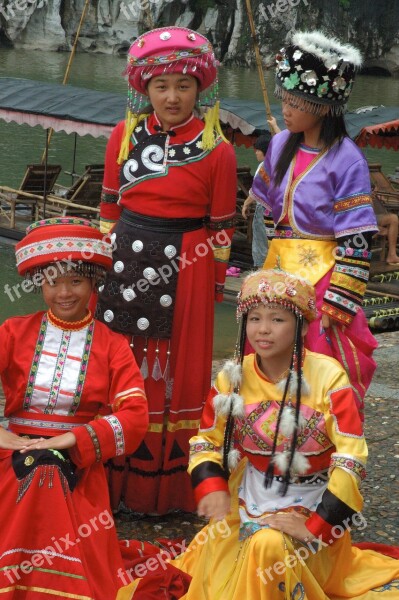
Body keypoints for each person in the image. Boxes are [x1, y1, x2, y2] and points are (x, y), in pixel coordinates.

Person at [118, 268, 399, 599]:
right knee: (234, 549)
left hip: (314, 501)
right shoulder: (231, 379)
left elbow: (351, 459)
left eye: (277, 320)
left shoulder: (329, 377)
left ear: (302, 325)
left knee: (266, 546)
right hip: (248, 497)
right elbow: (206, 442)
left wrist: (316, 526)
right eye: (254, 318)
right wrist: (212, 489)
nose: (263, 330)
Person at [96, 26, 237, 514]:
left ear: (201, 88)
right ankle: (107, 480)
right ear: (144, 89)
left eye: (183, 85)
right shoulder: (123, 135)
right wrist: (102, 267)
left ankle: (165, 490)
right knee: (119, 364)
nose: (172, 96)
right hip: (125, 264)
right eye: (161, 86)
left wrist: (212, 289)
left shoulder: (218, 149)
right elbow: (109, 209)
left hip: (188, 267)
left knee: (175, 372)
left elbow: (222, 229)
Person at [0, 217, 148, 599]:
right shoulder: (12, 332)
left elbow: (135, 417)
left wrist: (73, 439)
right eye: (53, 282)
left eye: (75, 282)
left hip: (78, 459)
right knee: (38, 469)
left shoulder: (113, 345)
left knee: (47, 471)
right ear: (40, 284)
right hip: (10, 450)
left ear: (94, 283)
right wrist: (5, 438)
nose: (64, 293)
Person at [249, 31, 379, 418]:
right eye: (284, 100)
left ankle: (316, 452)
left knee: (317, 365)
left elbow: (356, 241)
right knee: (264, 355)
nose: (285, 110)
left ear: (322, 108)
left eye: (294, 102)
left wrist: (338, 303)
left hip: (323, 277)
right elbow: (271, 211)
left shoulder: (347, 160)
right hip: (278, 269)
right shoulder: (278, 144)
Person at [242, 133, 272, 268]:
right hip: (276, 211)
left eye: (257, 150)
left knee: (261, 244)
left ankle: (261, 273)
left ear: (264, 150)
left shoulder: (264, 166)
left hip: (264, 210)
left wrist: (246, 203)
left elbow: (256, 190)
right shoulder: (277, 165)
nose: (256, 153)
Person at [371, 188, 399, 264]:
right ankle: (374, 229)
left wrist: (374, 196)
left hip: (371, 216)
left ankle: (392, 255)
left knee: (394, 218)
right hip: (358, 218)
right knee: (389, 231)